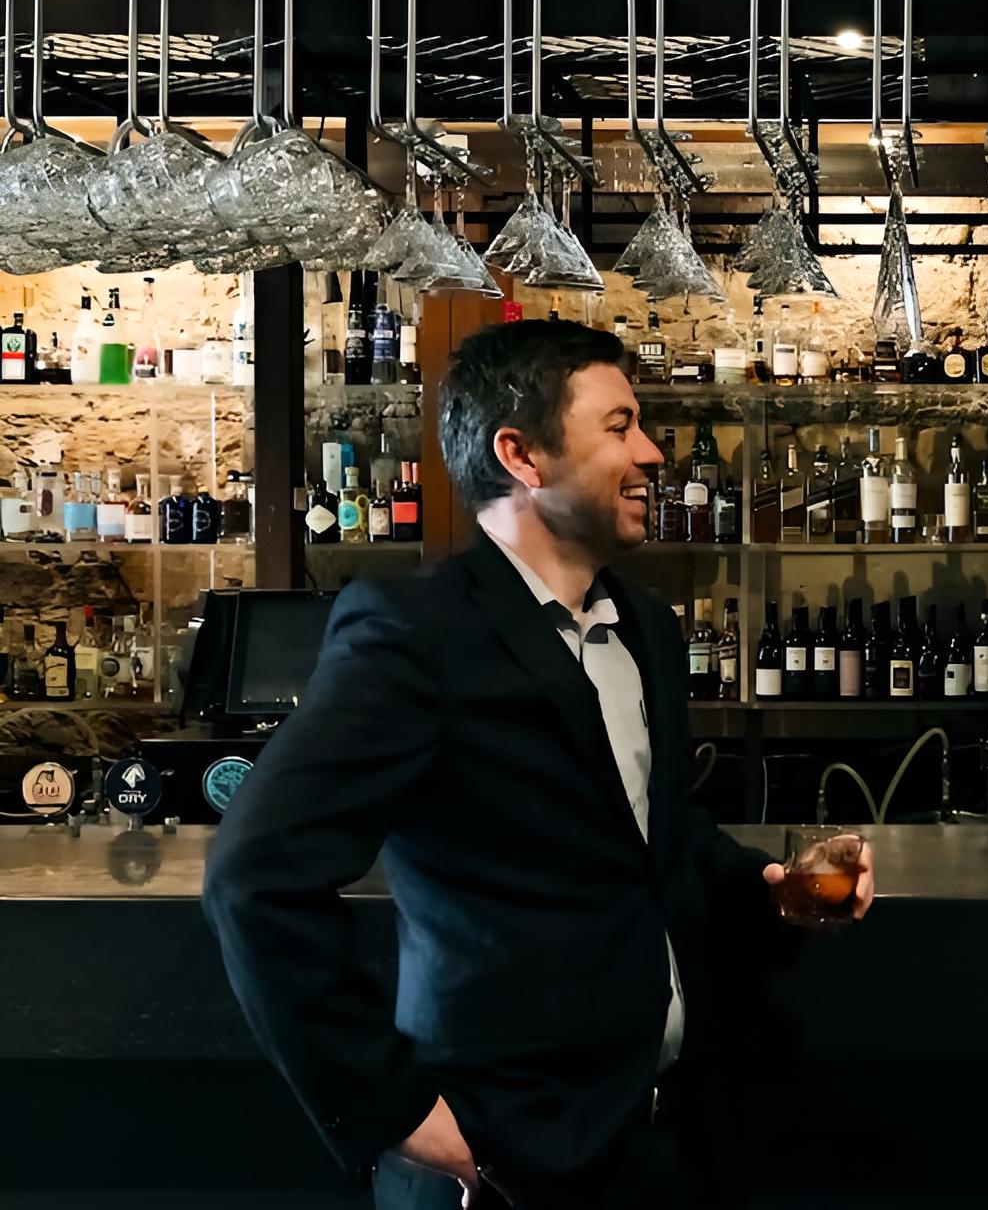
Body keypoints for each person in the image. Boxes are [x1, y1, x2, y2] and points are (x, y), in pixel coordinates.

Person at [203, 320, 875, 1210]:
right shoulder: (417, 631)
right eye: (620, 426)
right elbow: (256, 876)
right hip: (496, 1161)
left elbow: (654, 835)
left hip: (652, 1136)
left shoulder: (644, 626)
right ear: (521, 455)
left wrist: (771, 887)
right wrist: (397, 1113)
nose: (652, 453)